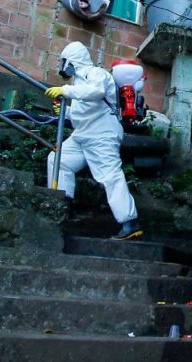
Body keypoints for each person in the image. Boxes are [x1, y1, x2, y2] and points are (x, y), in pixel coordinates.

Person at [45, 42, 142, 240]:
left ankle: (130, 223)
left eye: (64, 61)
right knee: (58, 160)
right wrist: (66, 111)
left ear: (73, 60)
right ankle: (61, 206)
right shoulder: (79, 83)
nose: (63, 66)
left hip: (102, 134)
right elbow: (84, 112)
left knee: (110, 176)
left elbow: (96, 93)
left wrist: (65, 91)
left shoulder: (96, 74)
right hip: (83, 134)